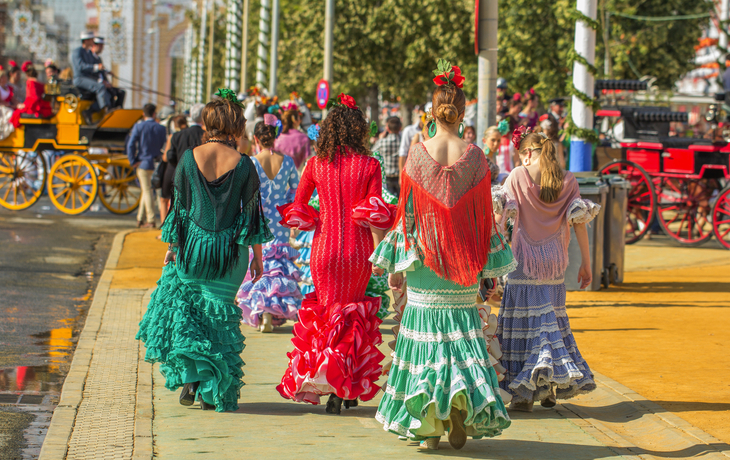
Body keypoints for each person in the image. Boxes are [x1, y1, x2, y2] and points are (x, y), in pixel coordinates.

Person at [371, 61, 515, 450]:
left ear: (432, 112)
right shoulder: (477, 156)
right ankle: (458, 408)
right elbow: (485, 217)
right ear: (463, 113)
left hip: (424, 263)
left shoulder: (416, 156)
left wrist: (397, 267)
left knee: (425, 344)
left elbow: (408, 216)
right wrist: (486, 268)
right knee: (461, 340)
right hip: (464, 264)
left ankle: (428, 427)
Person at [136, 93, 273, 412]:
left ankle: (192, 377)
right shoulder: (244, 164)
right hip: (230, 255)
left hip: (193, 249)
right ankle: (211, 390)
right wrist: (258, 259)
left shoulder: (188, 158)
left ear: (208, 124)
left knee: (189, 315)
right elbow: (252, 213)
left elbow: (179, 209)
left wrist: (172, 249)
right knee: (218, 321)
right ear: (235, 126)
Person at [276, 93, 395, 414]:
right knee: (353, 317)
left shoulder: (315, 164)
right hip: (358, 251)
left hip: (324, 249)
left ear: (328, 130)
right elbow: (374, 215)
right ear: (359, 132)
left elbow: (299, 205)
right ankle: (346, 388)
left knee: (329, 316)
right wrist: (385, 255)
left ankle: (329, 384)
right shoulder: (371, 165)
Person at [494, 128, 599, 413]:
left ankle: (524, 393)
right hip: (554, 263)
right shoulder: (568, 180)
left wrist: (491, 259)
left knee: (525, 327)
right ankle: (547, 384)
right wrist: (587, 264)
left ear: (528, 154)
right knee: (549, 321)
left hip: (523, 262)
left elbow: (500, 218)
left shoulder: (517, 175)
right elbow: (579, 224)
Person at [237, 117, 303, 332]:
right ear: (275, 137)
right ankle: (272, 311)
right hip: (281, 220)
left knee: (259, 263)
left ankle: (262, 311)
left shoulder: (251, 162)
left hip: (258, 220)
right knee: (277, 267)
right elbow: (296, 191)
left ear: (256, 138)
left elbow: (245, 195)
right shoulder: (288, 162)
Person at [161, 104, 205, 224]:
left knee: (180, 208)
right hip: (201, 177)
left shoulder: (178, 135)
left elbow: (170, 156)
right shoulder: (206, 135)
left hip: (181, 176)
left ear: (190, 115)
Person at [127, 103, 167, 228]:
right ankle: (140, 218)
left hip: (143, 162)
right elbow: (163, 145)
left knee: (147, 190)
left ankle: (150, 219)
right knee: (148, 191)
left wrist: (133, 161)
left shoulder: (139, 127)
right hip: (156, 163)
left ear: (143, 114)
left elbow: (131, 145)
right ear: (154, 114)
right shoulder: (161, 128)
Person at [72, 31, 112, 124]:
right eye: (91, 40)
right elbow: (80, 66)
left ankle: (91, 111)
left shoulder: (88, 53)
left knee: (108, 93)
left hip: (88, 79)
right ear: (86, 41)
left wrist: (105, 72)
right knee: (100, 87)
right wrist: (96, 67)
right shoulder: (78, 52)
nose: (93, 42)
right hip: (80, 79)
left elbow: (94, 68)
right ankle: (105, 111)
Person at [159, 115, 189, 225]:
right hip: (187, 172)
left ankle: (164, 228)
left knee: (164, 199)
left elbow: (166, 157)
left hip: (172, 170)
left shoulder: (173, 136)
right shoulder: (192, 135)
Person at [10, 62, 53, 128]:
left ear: (27, 75)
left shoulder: (30, 82)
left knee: (16, 114)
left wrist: (25, 105)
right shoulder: (39, 82)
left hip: (34, 106)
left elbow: (33, 98)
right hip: (41, 105)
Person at [274, 103, 311, 170]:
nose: (300, 121)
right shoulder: (303, 138)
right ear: (295, 121)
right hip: (299, 175)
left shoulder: (278, 138)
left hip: (281, 175)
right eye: (299, 119)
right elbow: (308, 162)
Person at [371, 116, 402, 196]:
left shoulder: (382, 142)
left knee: (389, 203)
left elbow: (371, 153)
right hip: (400, 176)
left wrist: (379, 139)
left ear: (388, 128)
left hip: (387, 176)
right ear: (400, 128)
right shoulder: (403, 142)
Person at [91, 37, 125, 108]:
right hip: (96, 84)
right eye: (100, 46)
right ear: (94, 46)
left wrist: (108, 72)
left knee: (121, 92)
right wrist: (103, 82)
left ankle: (118, 109)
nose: (102, 48)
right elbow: (91, 73)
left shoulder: (98, 58)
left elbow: (101, 70)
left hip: (103, 83)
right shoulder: (90, 57)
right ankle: (109, 111)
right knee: (110, 94)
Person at [0, 68, 16, 140]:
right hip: (2, 107)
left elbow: (13, 99)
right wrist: (8, 105)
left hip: (8, 106)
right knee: (10, 112)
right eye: (5, 76)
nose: (7, 78)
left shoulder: (8, 87)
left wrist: (19, 105)